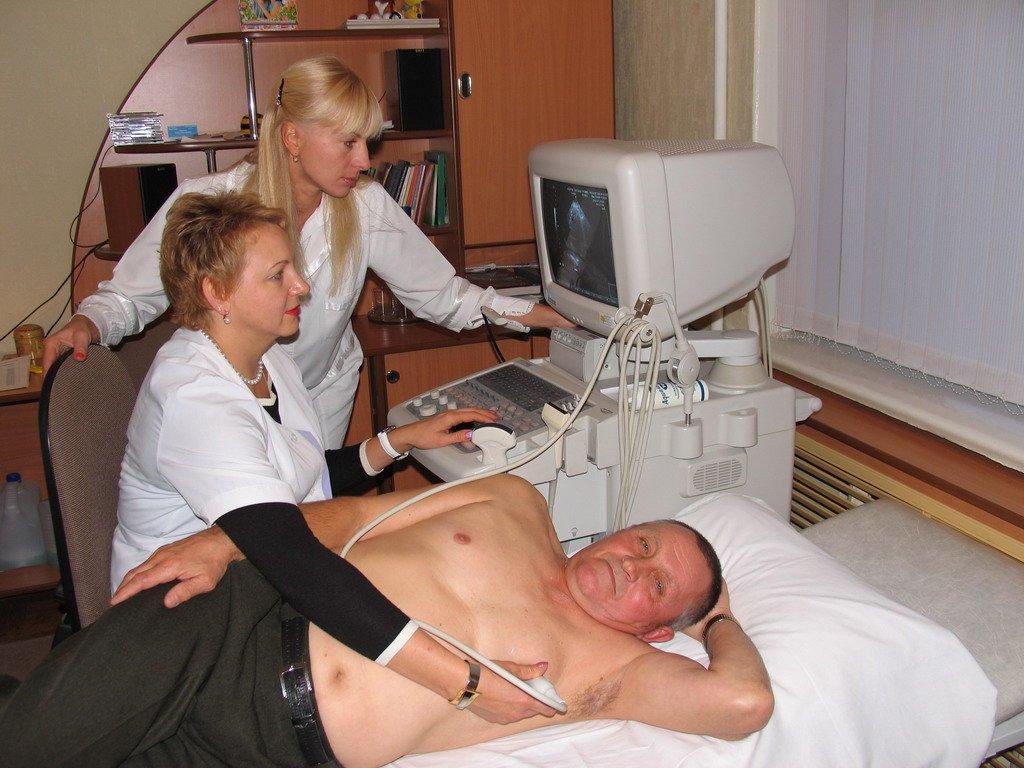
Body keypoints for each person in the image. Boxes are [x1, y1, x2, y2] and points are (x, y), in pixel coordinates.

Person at [106, 189, 554, 728]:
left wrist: (399, 442)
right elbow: (295, 560)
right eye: (278, 275)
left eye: (293, 267)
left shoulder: (265, 357)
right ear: (216, 292)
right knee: (408, 670)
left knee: (439, 582)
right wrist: (466, 686)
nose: (302, 285)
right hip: (186, 627)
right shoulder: (194, 398)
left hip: (260, 580)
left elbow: (302, 476)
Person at [2, 475, 774, 768]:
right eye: (643, 543)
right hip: (230, 620)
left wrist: (717, 623)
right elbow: (349, 517)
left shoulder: (617, 670)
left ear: (657, 631)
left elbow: (742, 702)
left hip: (268, 752)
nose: (633, 565)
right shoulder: (515, 503)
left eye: (657, 585)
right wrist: (226, 541)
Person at [44, 54, 572, 448]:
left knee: (312, 517)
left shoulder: (364, 205)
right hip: (230, 402)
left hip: (321, 396)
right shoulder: (210, 207)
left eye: (367, 142)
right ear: (293, 138)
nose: (364, 161)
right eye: (348, 143)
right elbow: (128, 297)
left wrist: (545, 317)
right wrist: (88, 323)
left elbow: (443, 295)